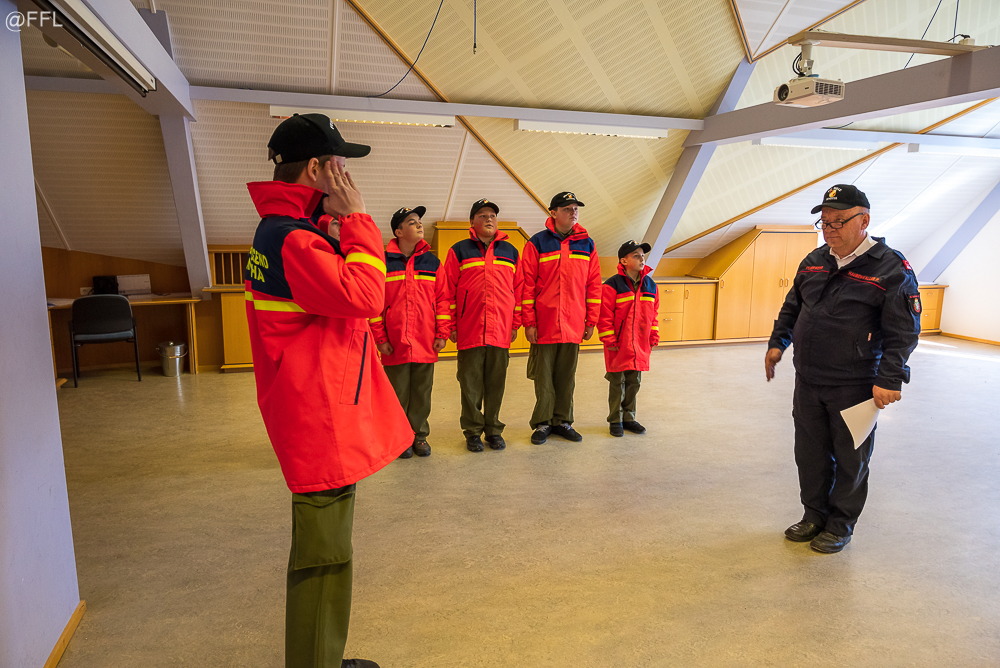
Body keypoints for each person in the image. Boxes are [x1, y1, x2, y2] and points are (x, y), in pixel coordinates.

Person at [244, 113, 412, 668]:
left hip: (314, 408)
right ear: (315, 169)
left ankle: (322, 657)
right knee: (323, 557)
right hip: (318, 418)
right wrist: (358, 219)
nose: (347, 175)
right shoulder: (293, 239)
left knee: (329, 549)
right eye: (340, 164)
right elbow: (366, 297)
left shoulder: (285, 230)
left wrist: (333, 230)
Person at [765, 184, 920, 554]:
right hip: (809, 379)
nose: (830, 229)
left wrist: (890, 378)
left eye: (838, 221)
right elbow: (793, 306)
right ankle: (813, 515)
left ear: (864, 220)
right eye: (824, 222)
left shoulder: (891, 268)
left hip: (856, 384)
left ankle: (840, 525)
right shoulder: (814, 260)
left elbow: (903, 331)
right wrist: (778, 342)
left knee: (851, 459)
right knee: (810, 454)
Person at [521, 192, 602, 445]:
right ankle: (543, 423)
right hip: (545, 323)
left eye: (575, 208)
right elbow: (527, 285)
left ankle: (563, 421)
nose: (573, 212)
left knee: (567, 377)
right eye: (567, 208)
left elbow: (593, 285)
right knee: (544, 377)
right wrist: (529, 322)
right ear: (553, 213)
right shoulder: (537, 243)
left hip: (574, 323)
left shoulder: (587, 244)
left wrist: (591, 321)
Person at [443, 198, 523, 452]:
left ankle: (494, 430)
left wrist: (515, 323)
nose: (489, 219)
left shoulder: (510, 251)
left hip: (501, 329)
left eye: (492, 215)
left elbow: (518, 290)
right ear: (472, 222)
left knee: (496, 383)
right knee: (470, 384)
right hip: (470, 329)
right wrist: (452, 325)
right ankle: (473, 431)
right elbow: (447, 291)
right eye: (482, 215)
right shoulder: (459, 250)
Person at [370, 206, 450, 459]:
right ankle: (399, 438)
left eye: (419, 221)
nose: (419, 225)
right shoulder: (383, 263)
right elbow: (375, 305)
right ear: (398, 231)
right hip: (394, 343)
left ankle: (419, 436)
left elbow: (443, 300)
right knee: (397, 394)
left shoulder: (432, 263)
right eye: (412, 222)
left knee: (422, 393)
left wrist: (442, 333)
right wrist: (380, 338)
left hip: (426, 341)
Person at [598, 241, 659, 437]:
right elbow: (604, 315)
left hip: (640, 344)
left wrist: (653, 335)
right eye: (636, 255)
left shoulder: (650, 285)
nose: (642, 259)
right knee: (618, 382)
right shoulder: (611, 285)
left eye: (643, 256)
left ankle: (629, 418)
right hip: (618, 344)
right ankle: (615, 420)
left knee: (634, 382)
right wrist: (609, 339)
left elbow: (653, 315)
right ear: (623, 261)